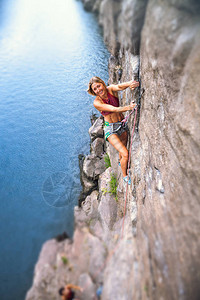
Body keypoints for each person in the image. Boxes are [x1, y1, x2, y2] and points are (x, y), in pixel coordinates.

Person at [87, 76, 139, 185]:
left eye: (98, 86)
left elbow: (119, 86)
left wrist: (130, 83)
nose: (98, 90)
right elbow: (113, 109)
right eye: (95, 89)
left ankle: (122, 163)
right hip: (110, 129)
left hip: (121, 125)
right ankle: (125, 176)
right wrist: (128, 107)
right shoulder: (97, 102)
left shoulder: (110, 89)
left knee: (122, 151)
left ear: (102, 83)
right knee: (125, 153)